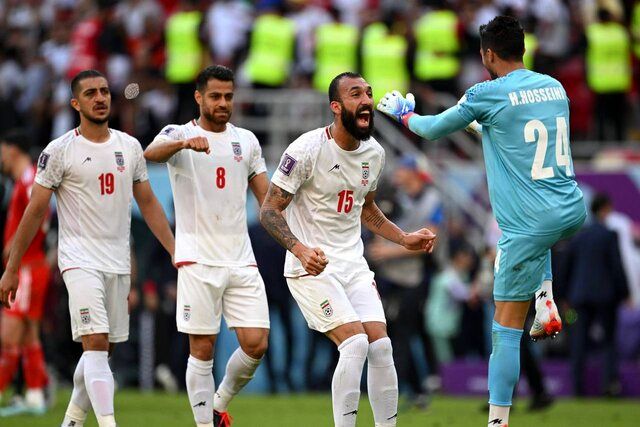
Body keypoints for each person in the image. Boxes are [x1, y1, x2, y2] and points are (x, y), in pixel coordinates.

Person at [377, 16, 586, 427]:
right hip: (571, 209)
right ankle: (544, 298)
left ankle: (497, 421)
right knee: (540, 236)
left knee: (504, 330)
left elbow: (432, 130)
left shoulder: (486, 93)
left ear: (487, 55)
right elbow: (513, 131)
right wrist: (479, 124)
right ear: (522, 49)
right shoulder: (553, 87)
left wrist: (404, 115)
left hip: (529, 225)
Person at [260, 71, 436, 427]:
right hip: (311, 267)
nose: (366, 100)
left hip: (353, 265)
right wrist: (300, 250)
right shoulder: (306, 149)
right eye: (356, 94)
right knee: (355, 343)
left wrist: (403, 238)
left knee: (381, 346)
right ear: (336, 107)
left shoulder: (375, 153)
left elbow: (366, 209)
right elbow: (269, 210)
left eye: (369, 93)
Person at [0, 69, 175, 427]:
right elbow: (35, 211)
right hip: (78, 260)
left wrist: (175, 250)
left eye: (104, 91)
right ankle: (108, 423)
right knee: (94, 341)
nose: (100, 98)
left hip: (117, 261)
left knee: (102, 350)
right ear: (75, 103)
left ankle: (72, 421)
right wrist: (12, 268)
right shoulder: (59, 151)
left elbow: (148, 202)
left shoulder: (129, 147)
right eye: (91, 93)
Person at [144, 65, 270, 427]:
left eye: (228, 96)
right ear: (199, 97)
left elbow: (268, 201)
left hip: (241, 258)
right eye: (215, 96)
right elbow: (150, 153)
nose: (223, 103)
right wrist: (184, 144)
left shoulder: (246, 140)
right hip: (197, 258)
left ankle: (218, 403)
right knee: (202, 348)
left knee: (256, 343)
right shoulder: (179, 133)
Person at [0, 130, 51, 415]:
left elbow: (40, 213)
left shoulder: (31, 178)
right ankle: (34, 395)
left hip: (28, 268)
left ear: (13, 150)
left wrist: (14, 245)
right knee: (30, 334)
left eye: (2, 150)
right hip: (31, 266)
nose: (1, 157)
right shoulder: (23, 179)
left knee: (9, 334)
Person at [559, 193, 628, 396]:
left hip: (579, 297)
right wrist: (625, 292)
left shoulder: (579, 236)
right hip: (605, 297)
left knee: (578, 342)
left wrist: (563, 296)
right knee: (608, 341)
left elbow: (565, 267)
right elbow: (616, 266)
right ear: (605, 209)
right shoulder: (609, 235)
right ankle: (609, 386)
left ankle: (577, 387)